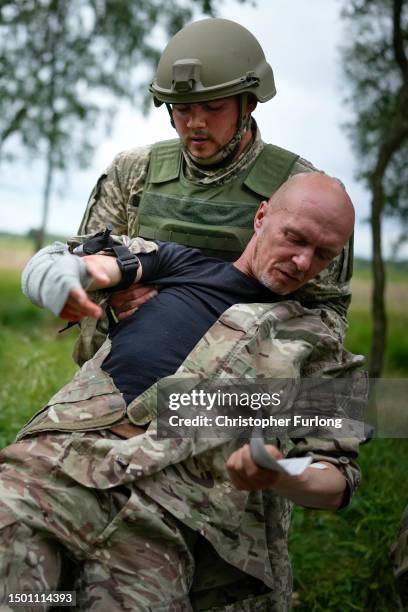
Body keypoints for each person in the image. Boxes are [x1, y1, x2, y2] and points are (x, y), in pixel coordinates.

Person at [0, 174, 363, 611]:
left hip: (163, 523)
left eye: (323, 254)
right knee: (17, 596)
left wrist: (285, 474)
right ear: (262, 216)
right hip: (56, 471)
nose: (303, 262)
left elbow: (337, 476)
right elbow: (76, 264)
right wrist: (61, 279)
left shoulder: (315, 347)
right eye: (295, 238)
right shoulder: (178, 265)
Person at [73, 17, 353, 366]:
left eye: (214, 108)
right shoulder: (132, 172)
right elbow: (81, 265)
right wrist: (114, 295)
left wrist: (238, 326)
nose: (196, 123)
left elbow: (328, 314)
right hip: (129, 366)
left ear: (249, 102)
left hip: (241, 382)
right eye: (183, 109)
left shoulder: (304, 192)